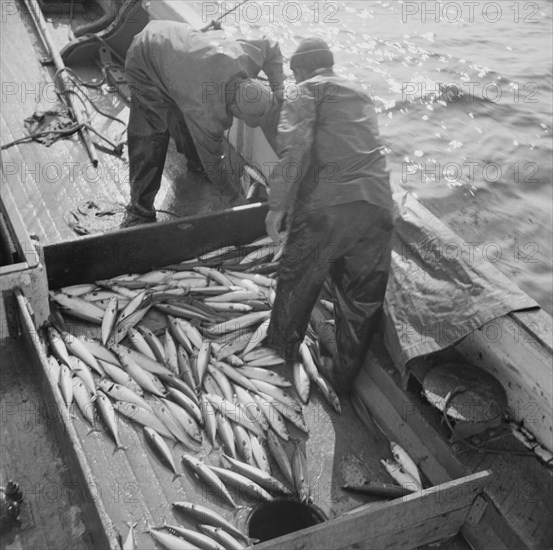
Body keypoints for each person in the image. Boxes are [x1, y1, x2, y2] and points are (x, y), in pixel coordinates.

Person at [265, 38, 394, 394]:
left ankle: (280, 353)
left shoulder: (305, 91)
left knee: (298, 276)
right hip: (379, 208)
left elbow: (294, 152)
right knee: (361, 300)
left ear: (302, 70)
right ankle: (341, 377)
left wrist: (278, 207)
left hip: (328, 207)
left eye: (293, 73)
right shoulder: (360, 93)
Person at [122, 20, 284, 226]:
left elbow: (272, 46)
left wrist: (278, 88)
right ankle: (140, 209)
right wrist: (235, 199)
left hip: (172, 39)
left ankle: (194, 163)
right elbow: (214, 164)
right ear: (234, 110)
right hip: (144, 58)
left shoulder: (246, 55)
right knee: (153, 134)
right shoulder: (206, 112)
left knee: (184, 114)